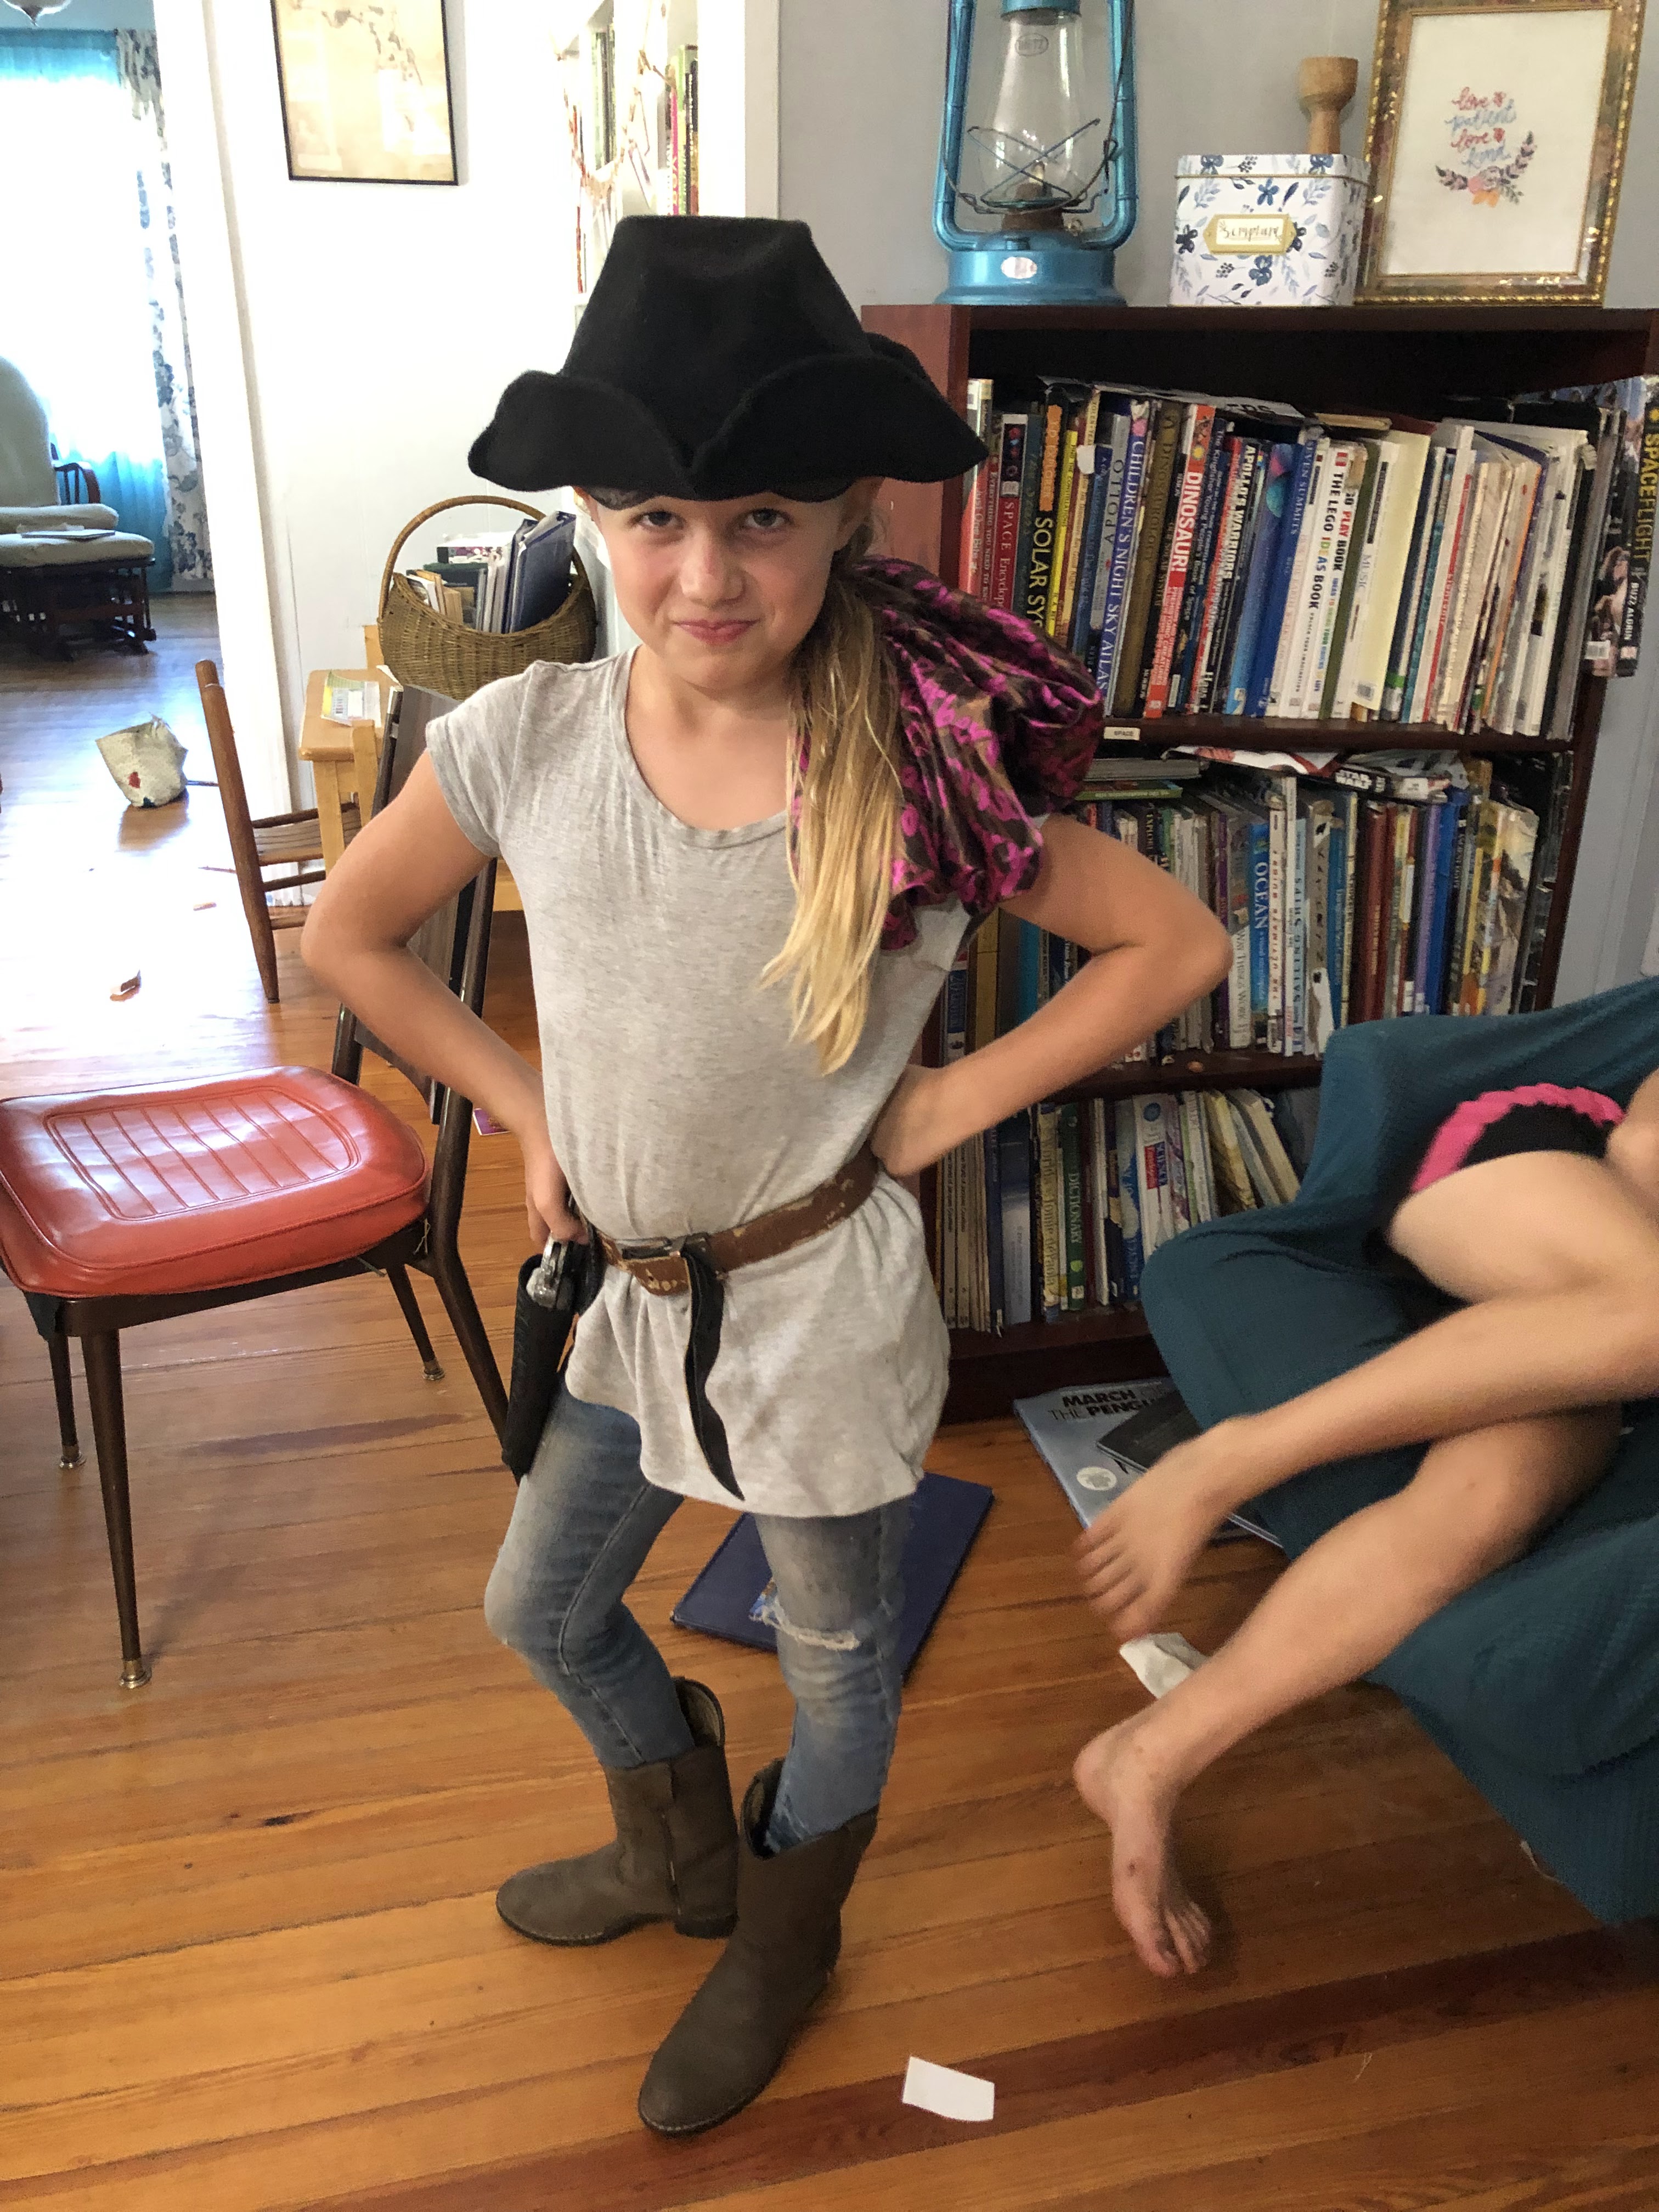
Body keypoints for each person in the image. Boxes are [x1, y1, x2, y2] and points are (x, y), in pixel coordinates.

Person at [302, 215, 1231, 2137]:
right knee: (541, 1608)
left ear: (846, 522)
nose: (705, 572)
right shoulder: (523, 737)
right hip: (630, 1304)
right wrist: (530, 1110)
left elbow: (1172, 943)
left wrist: (947, 1110)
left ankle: (788, 1930)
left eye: (763, 523)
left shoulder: (921, 765)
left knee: (836, 1659)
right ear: (592, 515)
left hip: (816, 1317)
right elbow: (352, 941)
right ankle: (679, 1851)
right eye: (654, 520)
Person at [1072, 1068, 1659, 1982]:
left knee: (1486, 1503)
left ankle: (1147, 1757)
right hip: (1544, 1176)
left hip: (1598, 1350)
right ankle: (1237, 1455)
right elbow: (1643, 1145)